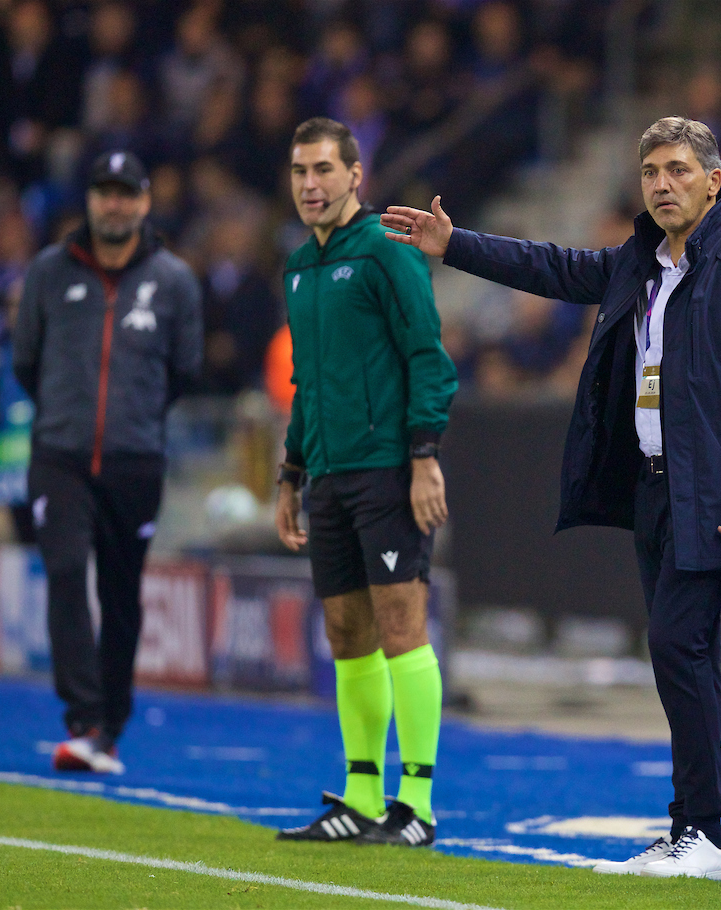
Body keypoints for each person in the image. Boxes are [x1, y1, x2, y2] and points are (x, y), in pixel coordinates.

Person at [382, 116, 721, 879]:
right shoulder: (639, 263)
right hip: (652, 489)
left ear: (715, 181)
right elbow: (552, 267)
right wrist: (457, 246)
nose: (663, 184)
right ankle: (691, 827)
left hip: (708, 496)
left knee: (678, 645)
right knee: (686, 653)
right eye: (651, 172)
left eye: (679, 170)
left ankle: (705, 834)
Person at [273, 118, 457, 847]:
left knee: (400, 627)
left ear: (356, 175)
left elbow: (428, 356)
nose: (310, 185)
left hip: (387, 470)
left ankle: (414, 805)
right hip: (328, 474)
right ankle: (359, 795)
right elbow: (305, 384)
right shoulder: (298, 268)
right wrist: (291, 475)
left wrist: (423, 457)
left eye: (323, 170)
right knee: (345, 634)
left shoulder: (385, 251)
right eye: (299, 172)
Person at [11, 150, 203, 773]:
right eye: (104, 192)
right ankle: (84, 718)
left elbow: (183, 370)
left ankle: (110, 726)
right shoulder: (47, 272)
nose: (114, 204)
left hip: (133, 460)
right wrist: (68, 416)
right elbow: (27, 362)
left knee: (121, 594)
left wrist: (133, 421)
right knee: (66, 571)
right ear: (89, 200)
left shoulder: (173, 280)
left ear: (145, 202)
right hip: (60, 456)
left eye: (125, 193)